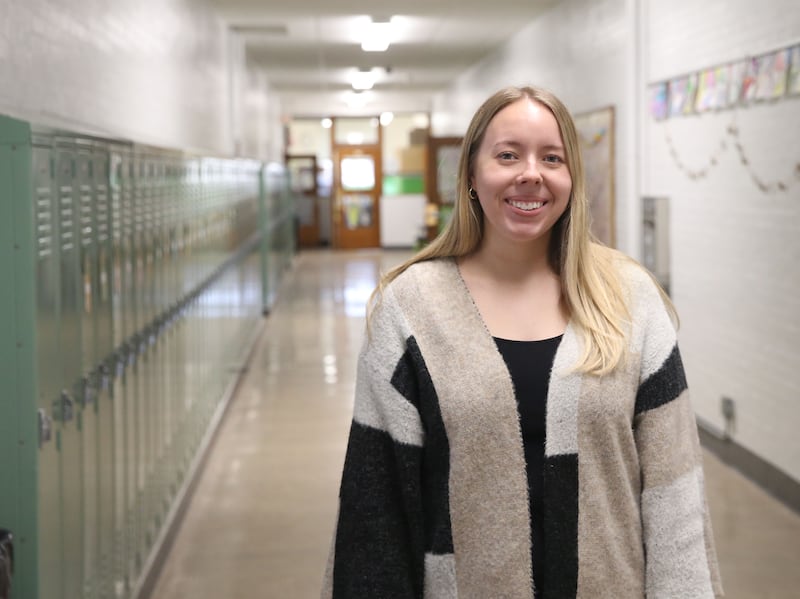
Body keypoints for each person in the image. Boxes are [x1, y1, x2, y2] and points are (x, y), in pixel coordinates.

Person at [321, 86, 724, 598]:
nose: (530, 173)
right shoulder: (411, 307)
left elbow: (675, 494)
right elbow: (376, 506)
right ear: (470, 174)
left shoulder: (629, 299)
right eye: (507, 154)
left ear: (571, 177)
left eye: (551, 158)